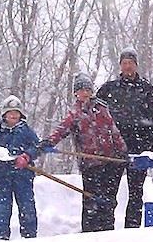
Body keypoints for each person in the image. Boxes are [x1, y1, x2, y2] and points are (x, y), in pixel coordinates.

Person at [39, 73, 128, 233]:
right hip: (90, 164)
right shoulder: (75, 113)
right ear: (76, 93)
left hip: (109, 161)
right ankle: (89, 232)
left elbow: (113, 130)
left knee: (108, 200)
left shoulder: (101, 108)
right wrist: (50, 142)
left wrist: (122, 151)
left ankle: (108, 231)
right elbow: (62, 130)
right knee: (91, 199)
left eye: (88, 89)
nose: (85, 93)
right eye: (82, 90)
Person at [96, 48, 153, 229]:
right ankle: (106, 228)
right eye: (124, 63)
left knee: (136, 193)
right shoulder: (108, 89)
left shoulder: (147, 90)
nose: (128, 66)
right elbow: (97, 119)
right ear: (120, 66)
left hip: (139, 149)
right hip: (114, 150)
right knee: (109, 192)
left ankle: (132, 230)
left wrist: (151, 146)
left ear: (136, 65)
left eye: (131, 62)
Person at [0, 95, 41, 240]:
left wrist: (26, 157)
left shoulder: (26, 131)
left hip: (23, 175)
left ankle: (29, 235)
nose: (13, 115)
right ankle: (0, 236)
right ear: (4, 115)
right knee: (1, 208)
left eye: (16, 112)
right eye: (10, 112)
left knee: (26, 206)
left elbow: (38, 147)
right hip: (1, 176)